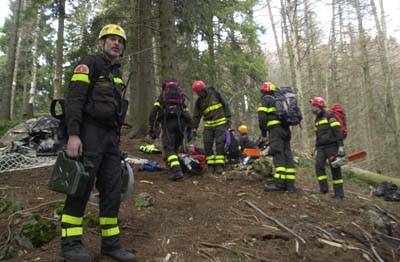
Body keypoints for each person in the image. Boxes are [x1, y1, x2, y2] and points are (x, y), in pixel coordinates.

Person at [62, 24, 136, 261]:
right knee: (80, 187)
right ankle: (70, 245)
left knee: (112, 191)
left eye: (120, 41)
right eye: (111, 39)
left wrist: (115, 141)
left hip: (110, 140)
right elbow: (74, 98)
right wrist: (73, 135)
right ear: (101, 43)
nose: (116, 43)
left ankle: (111, 245)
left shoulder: (116, 73)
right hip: (88, 133)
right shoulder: (89, 64)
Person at [148, 80, 192, 181]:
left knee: (169, 149)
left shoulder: (162, 97)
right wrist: (190, 128)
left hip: (168, 124)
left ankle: (177, 171)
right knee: (175, 149)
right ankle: (172, 169)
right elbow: (187, 114)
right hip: (181, 124)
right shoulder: (181, 98)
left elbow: (153, 112)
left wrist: (152, 127)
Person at [257, 82, 296, 192]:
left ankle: (279, 184)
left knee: (278, 154)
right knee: (287, 155)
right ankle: (290, 185)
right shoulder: (281, 99)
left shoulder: (266, 99)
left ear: (264, 91)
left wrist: (264, 134)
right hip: (286, 130)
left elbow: (262, 118)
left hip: (275, 130)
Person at [191, 80, 232, 174]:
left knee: (219, 144)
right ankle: (211, 165)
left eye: (199, 92)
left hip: (220, 124)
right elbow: (196, 116)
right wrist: (194, 128)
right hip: (208, 126)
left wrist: (228, 119)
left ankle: (219, 165)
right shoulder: (199, 102)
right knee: (207, 144)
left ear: (203, 89)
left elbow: (225, 105)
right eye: (197, 93)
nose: (198, 94)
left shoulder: (215, 94)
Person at [310, 97, 345, 199]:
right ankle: (324, 190)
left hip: (332, 146)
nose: (311, 108)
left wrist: (340, 146)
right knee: (318, 166)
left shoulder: (330, 116)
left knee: (335, 168)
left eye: (313, 106)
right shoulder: (317, 119)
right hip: (321, 147)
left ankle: (339, 194)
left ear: (318, 106)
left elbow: (337, 131)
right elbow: (318, 135)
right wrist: (315, 148)